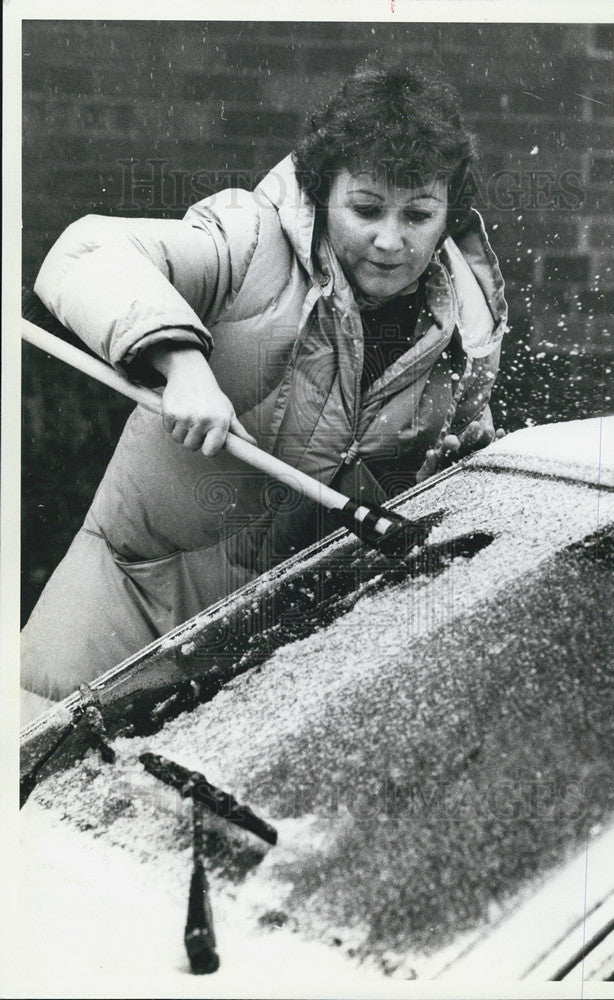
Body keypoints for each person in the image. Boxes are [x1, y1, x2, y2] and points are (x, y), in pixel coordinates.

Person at [21, 59, 508, 721]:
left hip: (263, 690)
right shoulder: (247, 238)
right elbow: (83, 252)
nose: (390, 241)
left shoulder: (467, 332)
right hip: (110, 634)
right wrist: (183, 364)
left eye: (418, 214)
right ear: (321, 187)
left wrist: (455, 485)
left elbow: (438, 497)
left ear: (450, 212)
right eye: (365, 209)